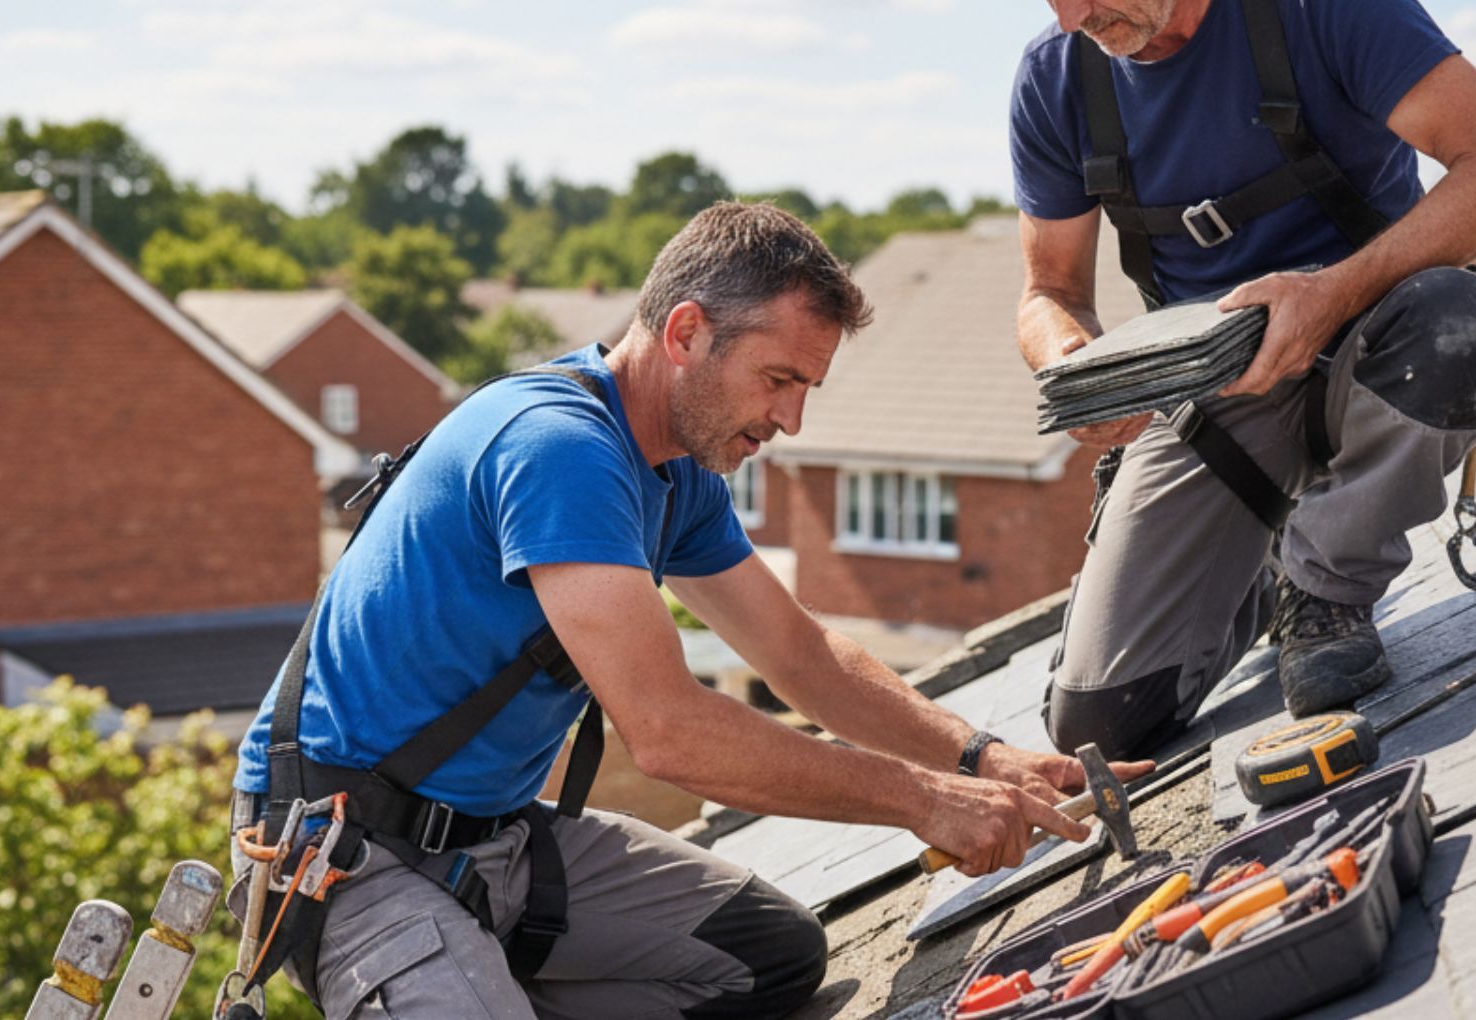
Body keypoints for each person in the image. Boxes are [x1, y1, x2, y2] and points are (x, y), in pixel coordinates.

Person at [228, 202, 1152, 1020]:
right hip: (349, 856)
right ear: (684, 332)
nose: (790, 420)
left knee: (768, 962)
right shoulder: (558, 448)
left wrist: (979, 758)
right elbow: (669, 733)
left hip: (496, 842)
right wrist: (922, 802)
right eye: (778, 379)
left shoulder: (676, 471)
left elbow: (800, 654)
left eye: (806, 389)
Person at [1011, 0, 1476, 759]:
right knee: (1100, 726)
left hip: (1381, 346)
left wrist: (1329, 294)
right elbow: (1050, 292)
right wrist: (1073, 367)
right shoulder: (1057, 77)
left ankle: (1325, 587)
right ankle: (1263, 566)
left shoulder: (1326, 11)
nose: (1074, 18)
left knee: (1460, 318)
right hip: (1219, 399)